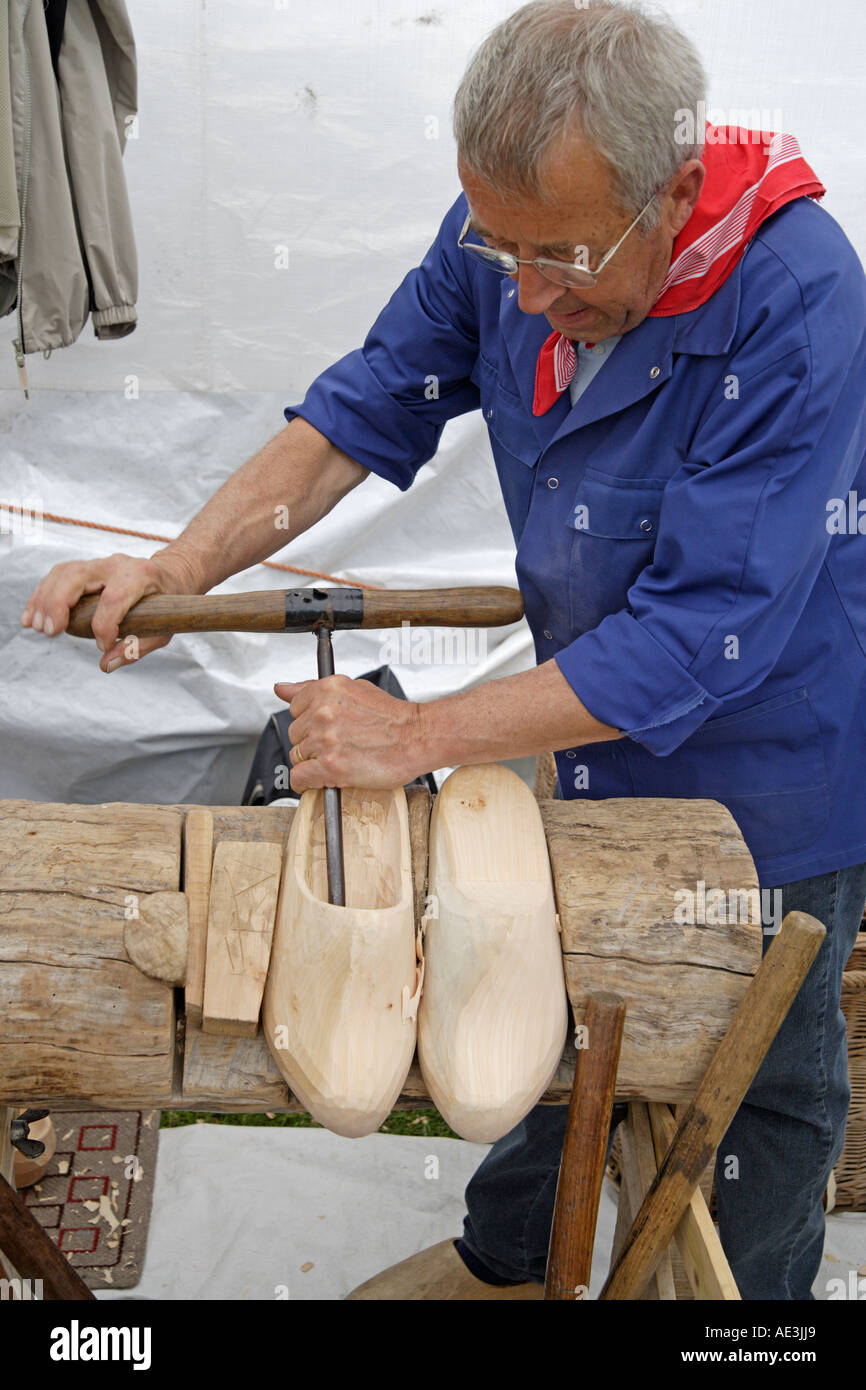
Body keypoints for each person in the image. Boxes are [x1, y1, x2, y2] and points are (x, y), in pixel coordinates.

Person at [22, 0, 866, 1300]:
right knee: (540, 987)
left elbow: (703, 637)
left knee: (754, 1081)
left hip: (773, 758)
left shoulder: (796, 296)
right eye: (498, 245)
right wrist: (175, 569)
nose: (523, 292)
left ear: (674, 191)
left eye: (561, 257)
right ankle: (510, 1264)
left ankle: (739, 1321)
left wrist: (415, 735)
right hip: (582, 728)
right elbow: (363, 409)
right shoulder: (517, 229)